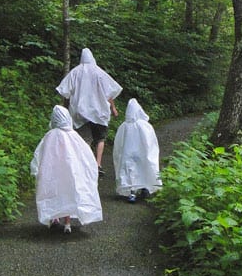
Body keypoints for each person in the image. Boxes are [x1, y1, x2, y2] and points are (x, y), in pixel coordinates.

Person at [30, 105, 102, 233]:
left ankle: (55, 217)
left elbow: (39, 153)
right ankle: (67, 224)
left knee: (54, 192)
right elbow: (85, 156)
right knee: (69, 193)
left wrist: (36, 168)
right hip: (70, 172)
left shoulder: (50, 136)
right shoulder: (74, 137)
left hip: (52, 173)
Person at [56, 47, 122, 175]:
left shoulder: (75, 73)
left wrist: (65, 108)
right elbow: (108, 93)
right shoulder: (99, 73)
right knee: (100, 139)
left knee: (84, 139)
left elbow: (65, 93)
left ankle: (85, 163)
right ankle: (98, 164)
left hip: (80, 112)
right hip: (99, 112)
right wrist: (113, 108)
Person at [113, 98, 162, 203]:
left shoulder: (123, 126)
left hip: (128, 154)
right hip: (142, 153)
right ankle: (144, 188)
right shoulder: (144, 125)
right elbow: (151, 141)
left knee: (130, 172)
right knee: (143, 168)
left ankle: (133, 192)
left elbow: (118, 143)